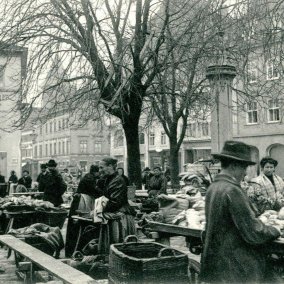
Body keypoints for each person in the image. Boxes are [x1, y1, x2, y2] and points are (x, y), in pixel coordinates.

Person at [200, 141, 281, 284]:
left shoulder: (214, 187)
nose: (245, 172)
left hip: (218, 262)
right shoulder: (232, 190)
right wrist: (275, 230)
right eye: (244, 167)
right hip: (238, 265)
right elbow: (253, 232)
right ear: (234, 165)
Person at [98, 156, 136, 254]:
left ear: (110, 166)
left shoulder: (117, 180)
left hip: (120, 218)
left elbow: (115, 202)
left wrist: (98, 209)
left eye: (102, 167)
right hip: (115, 216)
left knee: (119, 247)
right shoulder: (110, 179)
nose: (100, 170)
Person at [65, 165, 101, 257]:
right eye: (99, 171)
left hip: (81, 200)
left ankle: (71, 250)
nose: (100, 173)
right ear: (95, 172)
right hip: (83, 202)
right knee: (80, 224)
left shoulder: (88, 177)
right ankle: (76, 250)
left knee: (75, 226)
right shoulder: (90, 179)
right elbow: (96, 192)